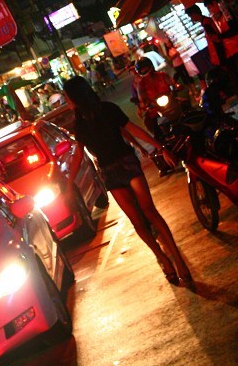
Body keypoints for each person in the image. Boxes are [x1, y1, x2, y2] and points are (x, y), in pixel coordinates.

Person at [62, 76, 193, 288]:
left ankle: (178, 260)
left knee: (149, 211)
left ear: (76, 97)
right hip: (110, 174)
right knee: (137, 222)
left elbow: (133, 129)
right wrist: (69, 184)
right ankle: (162, 257)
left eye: (67, 98)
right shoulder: (80, 124)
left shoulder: (108, 109)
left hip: (127, 164)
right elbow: (79, 154)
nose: (67, 102)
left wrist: (160, 148)